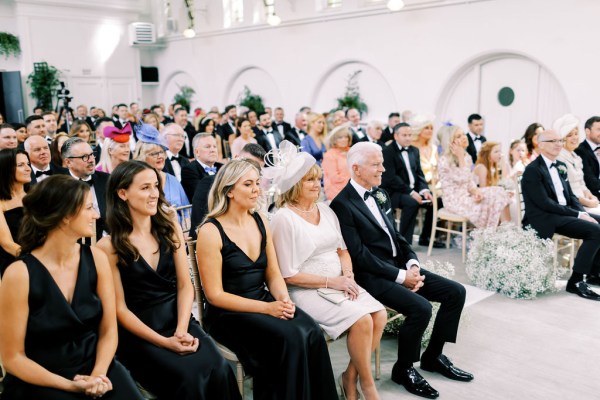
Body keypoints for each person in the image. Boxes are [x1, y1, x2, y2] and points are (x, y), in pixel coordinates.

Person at [330, 142, 472, 400]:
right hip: (371, 277)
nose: (382, 169)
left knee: (456, 292)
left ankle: (433, 357)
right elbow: (360, 256)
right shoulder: (342, 204)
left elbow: (396, 236)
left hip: (399, 268)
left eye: (382, 163)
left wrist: (412, 265)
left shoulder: (379, 193)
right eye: (376, 164)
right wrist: (401, 277)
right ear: (356, 168)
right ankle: (403, 368)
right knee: (421, 308)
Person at [96, 161, 241, 399]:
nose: (154, 194)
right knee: (189, 379)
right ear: (122, 193)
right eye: (144, 188)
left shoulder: (169, 228)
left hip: (180, 320)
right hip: (141, 334)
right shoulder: (108, 247)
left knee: (220, 369)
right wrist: (164, 342)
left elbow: (186, 286)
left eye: (155, 186)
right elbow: (120, 310)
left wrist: (182, 329)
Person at [196, 159, 338, 400]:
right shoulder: (210, 231)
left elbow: (273, 273)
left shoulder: (260, 219)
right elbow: (215, 295)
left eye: (257, 183)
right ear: (229, 191)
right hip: (228, 313)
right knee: (290, 338)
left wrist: (283, 299)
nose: (256, 189)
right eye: (248, 184)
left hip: (264, 300)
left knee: (311, 331)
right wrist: (268, 308)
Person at [0, 175, 145, 399]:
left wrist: (97, 375)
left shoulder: (97, 258)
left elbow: (109, 330)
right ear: (65, 216)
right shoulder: (19, 274)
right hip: (41, 377)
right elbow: (12, 358)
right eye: (89, 208)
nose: (97, 215)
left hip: (97, 365)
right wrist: (71, 386)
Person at [269, 144, 386, 399]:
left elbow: (343, 250)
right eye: (309, 180)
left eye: (318, 179)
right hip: (306, 289)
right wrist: (333, 282)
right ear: (294, 184)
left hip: (339, 282)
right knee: (362, 319)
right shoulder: (283, 218)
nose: (316, 184)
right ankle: (368, 387)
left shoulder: (325, 209)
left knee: (379, 315)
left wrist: (348, 276)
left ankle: (350, 377)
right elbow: (287, 275)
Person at [521, 130, 600, 300]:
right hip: (545, 217)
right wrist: (578, 216)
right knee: (595, 231)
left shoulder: (560, 166)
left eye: (560, 140)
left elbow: (570, 196)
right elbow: (545, 204)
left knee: (595, 222)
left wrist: (582, 212)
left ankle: (595, 273)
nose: (559, 144)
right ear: (541, 145)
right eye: (553, 140)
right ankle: (576, 281)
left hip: (562, 213)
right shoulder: (533, 170)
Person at [437, 124, 511, 228]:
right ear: (451, 142)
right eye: (458, 136)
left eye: (463, 134)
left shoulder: (467, 157)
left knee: (500, 191)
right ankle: (492, 233)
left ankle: (507, 230)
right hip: (454, 201)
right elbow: (462, 178)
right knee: (491, 201)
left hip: (467, 196)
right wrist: (460, 157)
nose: (464, 137)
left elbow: (469, 182)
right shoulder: (444, 161)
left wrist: (476, 192)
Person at [381, 123, 439, 246]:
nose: (408, 138)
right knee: (411, 203)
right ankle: (404, 243)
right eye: (404, 135)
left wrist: (425, 191)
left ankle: (425, 237)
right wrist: (411, 192)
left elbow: (419, 173)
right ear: (396, 136)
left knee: (435, 200)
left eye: (409, 135)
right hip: (394, 192)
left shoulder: (414, 150)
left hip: (412, 190)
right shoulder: (387, 152)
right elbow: (391, 179)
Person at [132, 123, 190, 211]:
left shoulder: (172, 180)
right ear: (143, 156)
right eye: (154, 153)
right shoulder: (135, 180)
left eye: (162, 152)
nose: (160, 156)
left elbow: (187, 211)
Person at [62, 137, 110, 241]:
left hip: (107, 239)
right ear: (68, 162)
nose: (91, 160)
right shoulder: (59, 186)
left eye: (92, 154)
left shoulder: (107, 180)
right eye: (84, 157)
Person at [555, 114, 600, 215]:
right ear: (562, 138)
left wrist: (590, 196)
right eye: (570, 135)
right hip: (572, 206)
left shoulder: (575, 156)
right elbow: (565, 191)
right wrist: (587, 202)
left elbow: (582, 184)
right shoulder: (558, 158)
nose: (575, 137)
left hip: (584, 202)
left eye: (576, 133)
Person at [0, 149, 30, 276]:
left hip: (42, 259)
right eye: (21, 165)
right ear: (7, 170)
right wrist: (34, 260)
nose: (28, 168)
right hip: (13, 264)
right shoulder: (1, 202)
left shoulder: (36, 195)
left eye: (27, 164)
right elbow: (7, 243)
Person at [181, 133, 223, 201]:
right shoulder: (189, 170)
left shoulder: (222, 167)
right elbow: (201, 196)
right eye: (207, 147)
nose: (213, 150)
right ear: (197, 152)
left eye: (214, 146)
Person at [322, 125, 352, 201]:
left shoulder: (352, 151)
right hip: (337, 192)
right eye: (340, 137)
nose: (344, 139)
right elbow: (334, 178)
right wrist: (354, 181)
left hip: (354, 188)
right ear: (334, 140)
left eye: (346, 137)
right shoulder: (330, 155)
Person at [575, 116, 600, 201]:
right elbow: (592, 183)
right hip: (593, 197)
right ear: (587, 131)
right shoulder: (580, 151)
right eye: (599, 129)